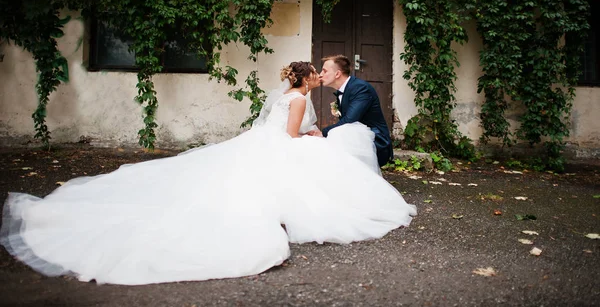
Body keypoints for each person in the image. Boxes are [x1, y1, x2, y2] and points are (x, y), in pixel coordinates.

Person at [0, 61, 416, 286]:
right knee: (299, 172)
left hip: (262, 141)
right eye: (316, 74)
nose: (319, 78)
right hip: (282, 145)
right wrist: (312, 138)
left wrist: (313, 133)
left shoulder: (288, 95)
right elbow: (291, 136)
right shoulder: (296, 100)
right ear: (307, 79)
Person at [310, 55, 394, 167]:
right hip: (356, 139)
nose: (320, 74)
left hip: (376, 142)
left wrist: (323, 133)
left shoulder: (360, 88)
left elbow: (349, 120)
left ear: (337, 74)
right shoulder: (346, 89)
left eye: (324, 71)